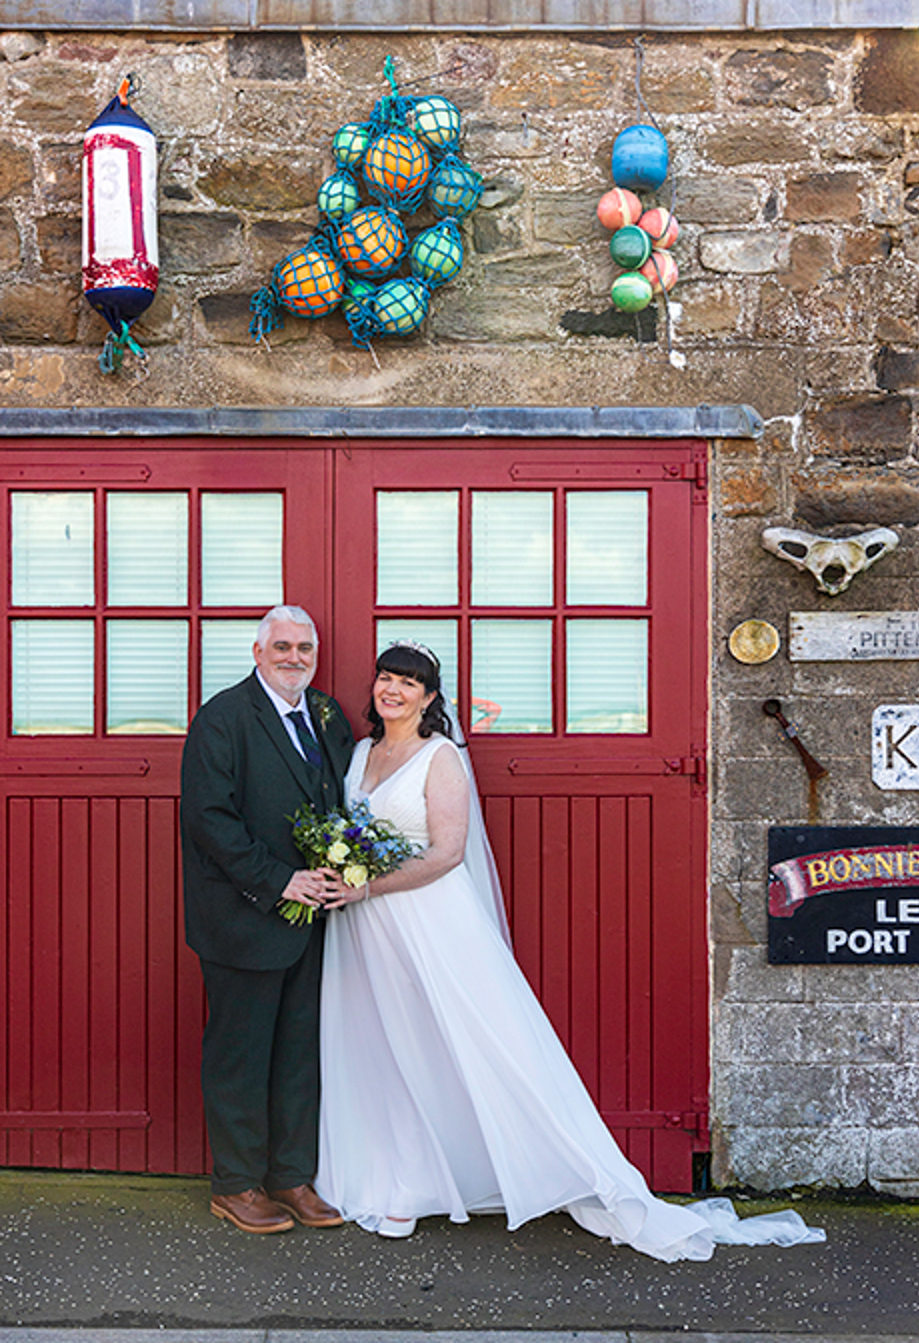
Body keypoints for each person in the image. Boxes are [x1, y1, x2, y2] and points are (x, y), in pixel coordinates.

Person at [314, 640, 825, 1262]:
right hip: (362, 926)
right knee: (380, 1043)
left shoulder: (440, 755)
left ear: (428, 696)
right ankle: (397, 1178)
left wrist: (367, 883)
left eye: (408, 683)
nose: (392, 690)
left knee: (460, 1041)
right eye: (386, 678)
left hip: (427, 919)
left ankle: (504, 1170)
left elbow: (448, 852)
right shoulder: (362, 751)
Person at [181, 604, 354, 1235]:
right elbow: (209, 819)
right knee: (241, 1056)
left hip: (313, 922)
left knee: (299, 1054)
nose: (294, 658)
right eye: (281, 647)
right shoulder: (222, 718)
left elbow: (339, 801)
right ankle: (235, 1185)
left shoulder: (328, 717)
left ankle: (289, 1176)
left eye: (305, 648)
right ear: (258, 652)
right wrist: (280, 880)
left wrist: (348, 868)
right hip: (243, 917)